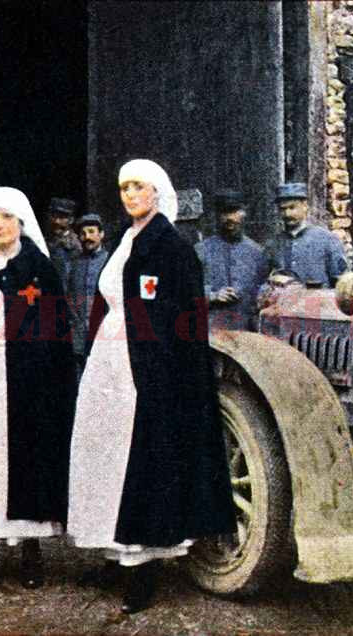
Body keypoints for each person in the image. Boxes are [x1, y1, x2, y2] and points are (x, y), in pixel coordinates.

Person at [67, 159, 235, 614]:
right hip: (110, 360)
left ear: (157, 192)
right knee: (105, 456)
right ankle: (112, 554)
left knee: (137, 460)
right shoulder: (125, 240)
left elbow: (185, 320)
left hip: (146, 369)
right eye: (124, 188)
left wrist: (164, 375)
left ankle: (143, 570)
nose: (129, 195)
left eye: (138, 187)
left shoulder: (172, 248)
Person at [0, 186, 76, 589]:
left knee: (25, 455)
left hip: (28, 376)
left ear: (21, 221)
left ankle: (29, 550)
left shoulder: (39, 267)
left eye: (7, 217)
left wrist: (53, 378)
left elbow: (58, 329)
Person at [195, 189, 270, 331]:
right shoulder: (200, 251)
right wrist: (212, 296)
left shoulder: (258, 253)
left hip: (246, 331)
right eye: (224, 212)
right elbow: (184, 291)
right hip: (211, 330)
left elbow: (265, 292)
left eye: (234, 211)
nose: (229, 218)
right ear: (217, 216)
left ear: (244, 213)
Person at [264, 182, 347, 288]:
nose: (287, 214)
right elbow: (262, 283)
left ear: (305, 206)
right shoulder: (273, 245)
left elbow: (341, 283)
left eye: (292, 207)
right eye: (283, 209)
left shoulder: (327, 240)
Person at [66, 213, 109, 376]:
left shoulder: (109, 261)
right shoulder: (73, 263)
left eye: (91, 232)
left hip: (103, 333)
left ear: (101, 234)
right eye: (83, 234)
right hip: (77, 335)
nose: (87, 237)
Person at [45, 196, 82, 283]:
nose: (56, 221)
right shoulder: (45, 242)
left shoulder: (76, 246)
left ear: (71, 220)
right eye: (53, 216)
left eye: (62, 217)